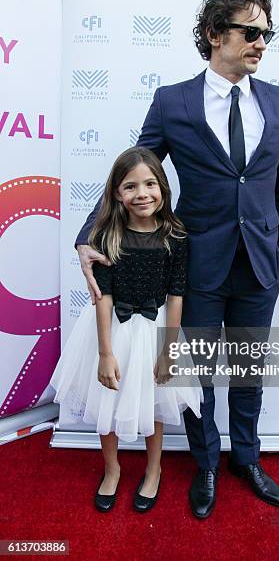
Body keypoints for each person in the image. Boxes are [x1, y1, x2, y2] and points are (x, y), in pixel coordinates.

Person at [76, 0, 279, 518]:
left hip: (260, 264)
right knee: (197, 371)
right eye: (250, 32)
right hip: (198, 263)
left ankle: (246, 457)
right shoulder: (173, 101)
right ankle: (204, 462)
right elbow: (131, 172)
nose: (261, 42)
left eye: (267, 33)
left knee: (249, 369)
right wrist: (89, 237)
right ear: (213, 34)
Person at [50, 147, 202, 513]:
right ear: (117, 192)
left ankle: (153, 469)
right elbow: (103, 297)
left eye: (150, 184)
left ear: (163, 187)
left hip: (155, 333)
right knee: (108, 398)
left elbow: (177, 295)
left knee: (154, 402)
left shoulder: (175, 237)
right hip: (110, 332)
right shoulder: (106, 236)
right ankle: (112, 469)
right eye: (130, 186)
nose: (142, 193)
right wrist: (105, 352)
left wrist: (169, 350)